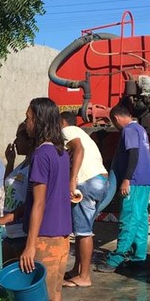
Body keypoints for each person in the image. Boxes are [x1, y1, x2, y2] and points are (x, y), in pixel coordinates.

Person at [0, 98, 72, 301]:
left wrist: (31, 245)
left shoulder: (41, 155)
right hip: (62, 236)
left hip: (44, 237)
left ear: (40, 120)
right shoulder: (60, 153)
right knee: (54, 297)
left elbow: (38, 203)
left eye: (28, 118)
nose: (26, 124)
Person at [97, 102, 150, 273]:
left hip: (134, 182)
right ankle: (138, 259)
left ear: (116, 118)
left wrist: (126, 179)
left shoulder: (128, 130)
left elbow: (133, 154)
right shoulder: (140, 130)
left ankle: (117, 258)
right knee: (140, 220)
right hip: (145, 180)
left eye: (113, 123)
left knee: (129, 219)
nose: (115, 127)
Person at [60, 110, 110, 288]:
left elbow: (78, 149)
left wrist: (72, 181)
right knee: (82, 229)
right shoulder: (83, 134)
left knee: (83, 231)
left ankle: (84, 276)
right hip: (101, 181)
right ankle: (77, 271)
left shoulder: (67, 132)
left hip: (87, 182)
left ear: (62, 122)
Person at [0, 121, 35, 261]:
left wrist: (5, 219)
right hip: (12, 231)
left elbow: (31, 201)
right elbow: (9, 186)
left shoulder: (34, 165)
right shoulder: (23, 165)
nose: (15, 142)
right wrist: (10, 162)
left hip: (22, 232)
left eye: (18, 138)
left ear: (29, 141)